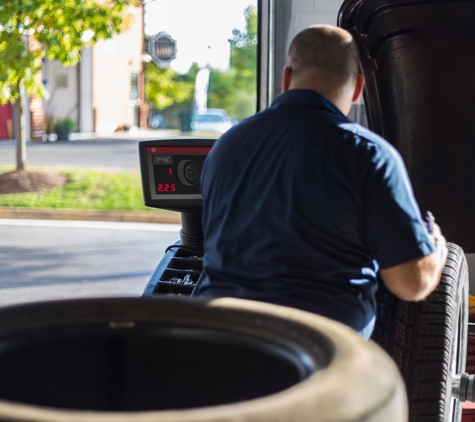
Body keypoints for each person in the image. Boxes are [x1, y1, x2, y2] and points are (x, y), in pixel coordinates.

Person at [195, 24, 448, 339]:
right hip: (316, 357)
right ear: (358, 88)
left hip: (213, 345)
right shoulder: (370, 156)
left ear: (286, 79)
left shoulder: (227, 145)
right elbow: (410, 284)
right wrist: (434, 250)